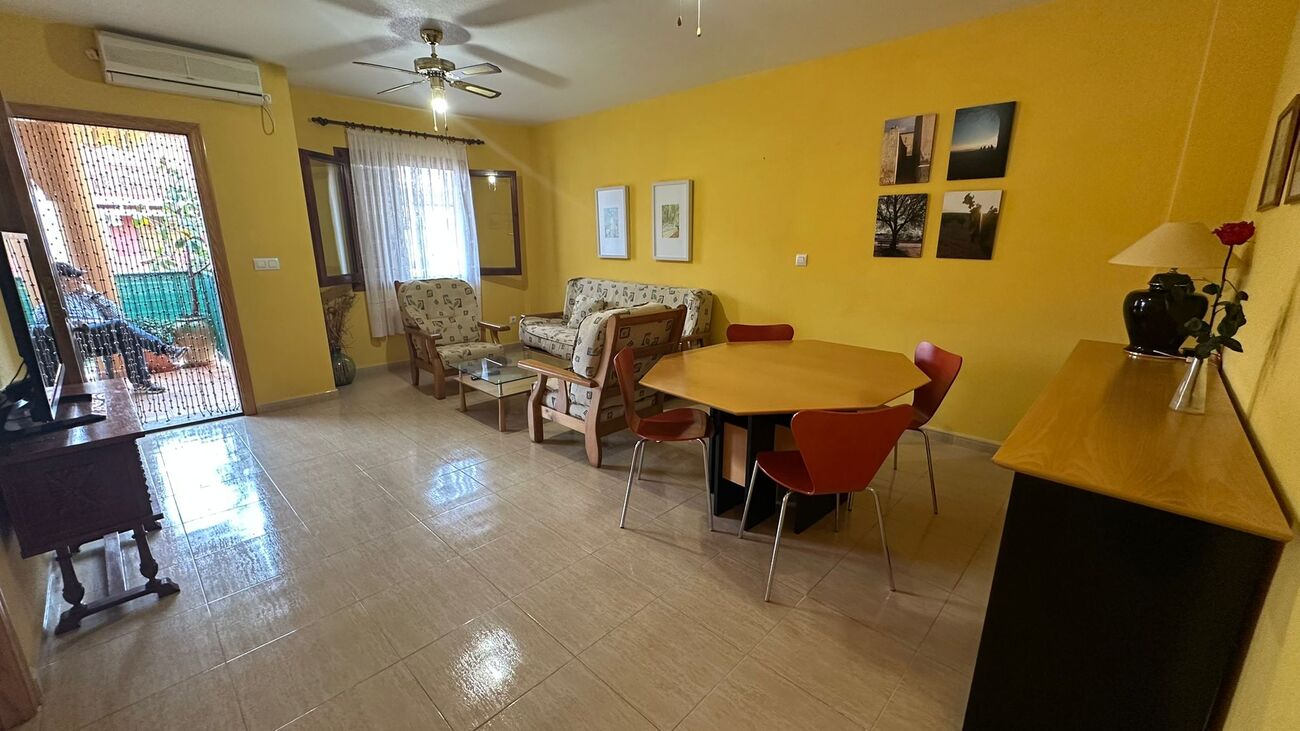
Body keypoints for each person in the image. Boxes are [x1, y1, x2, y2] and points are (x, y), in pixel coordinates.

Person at [51, 262, 188, 394]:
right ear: (63, 280)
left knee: (128, 336)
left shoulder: (88, 297)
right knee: (121, 326)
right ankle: (165, 349)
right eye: (75, 277)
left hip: (104, 337)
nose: (81, 280)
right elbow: (48, 326)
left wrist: (95, 296)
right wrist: (80, 323)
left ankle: (142, 382)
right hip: (80, 339)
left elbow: (118, 316)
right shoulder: (55, 303)